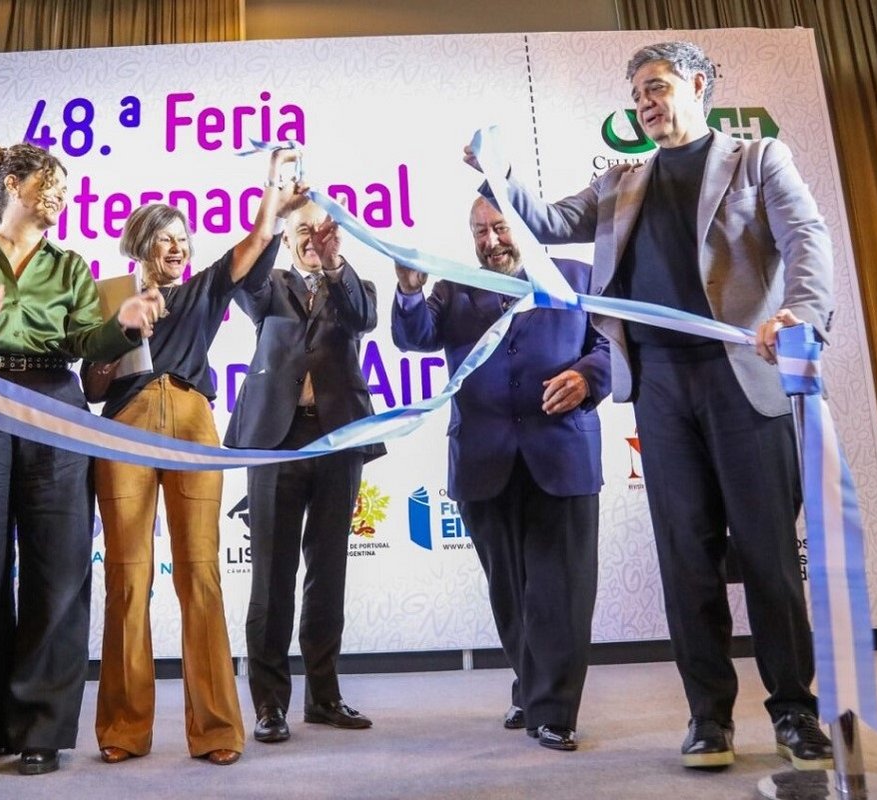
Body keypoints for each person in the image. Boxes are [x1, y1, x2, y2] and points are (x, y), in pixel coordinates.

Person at [476, 40, 835, 770]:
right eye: (636, 90)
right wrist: (497, 174)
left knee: (768, 557)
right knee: (685, 559)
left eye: (657, 86)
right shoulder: (619, 180)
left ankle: (794, 712)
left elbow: (805, 237)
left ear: (698, 84)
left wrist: (800, 312)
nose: (644, 101)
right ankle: (708, 718)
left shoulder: (756, 159)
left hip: (743, 380)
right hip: (660, 390)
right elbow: (543, 223)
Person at [0, 143, 161, 776]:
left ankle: (41, 730)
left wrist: (126, 325)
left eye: (65, 186)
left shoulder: (71, 265)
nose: (60, 194)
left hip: (56, 402)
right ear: (10, 183)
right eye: (48, 183)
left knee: (58, 568)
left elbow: (87, 342)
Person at [91, 148, 308, 767]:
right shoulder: (109, 295)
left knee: (200, 576)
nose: (179, 249)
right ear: (140, 247)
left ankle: (215, 729)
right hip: (126, 427)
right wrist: (120, 337)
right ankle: (124, 730)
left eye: (184, 240)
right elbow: (93, 385)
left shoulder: (205, 289)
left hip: (192, 422)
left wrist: (275, 186)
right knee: (127, 580)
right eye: (166, 241)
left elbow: (259, 234)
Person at [392, 196, 609, 751]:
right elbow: (414, 336)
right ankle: (531, 685)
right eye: (479, 232)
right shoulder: (456, 286)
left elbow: (614, 347)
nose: (489, 242)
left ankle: (555, 710)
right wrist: (411, 290)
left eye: (499, 228)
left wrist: (587, 378)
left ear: (527, 228)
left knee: (560, 591)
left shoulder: (579, 278)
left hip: (561, 455)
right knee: (510, 592)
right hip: (485, 462)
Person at [223, 201, 384, 744]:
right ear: (286, 238)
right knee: (271, 575)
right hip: (276, 438)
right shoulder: (268, 284)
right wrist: (275, 223)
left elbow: (363, 316)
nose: (311, 239)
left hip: (338, 437)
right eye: (301, 232)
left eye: (319, 230)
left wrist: (335, 262)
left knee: (328, 570)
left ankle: (324, 696)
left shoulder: (350, 285)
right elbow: (244, 283)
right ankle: (270, 705)